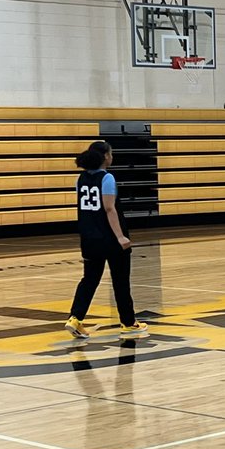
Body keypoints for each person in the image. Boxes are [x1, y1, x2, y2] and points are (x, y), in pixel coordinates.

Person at [64, 141, 149, 340]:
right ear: (105, 157)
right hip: (109, 239)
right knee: (120, 281)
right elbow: (109, 209)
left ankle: (75, 318)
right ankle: (128, 323)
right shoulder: (107, 178)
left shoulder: (80, 178)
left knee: (89, 280)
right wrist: (120, 236)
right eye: (111, 153)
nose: (112, 157)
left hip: (89, 238)